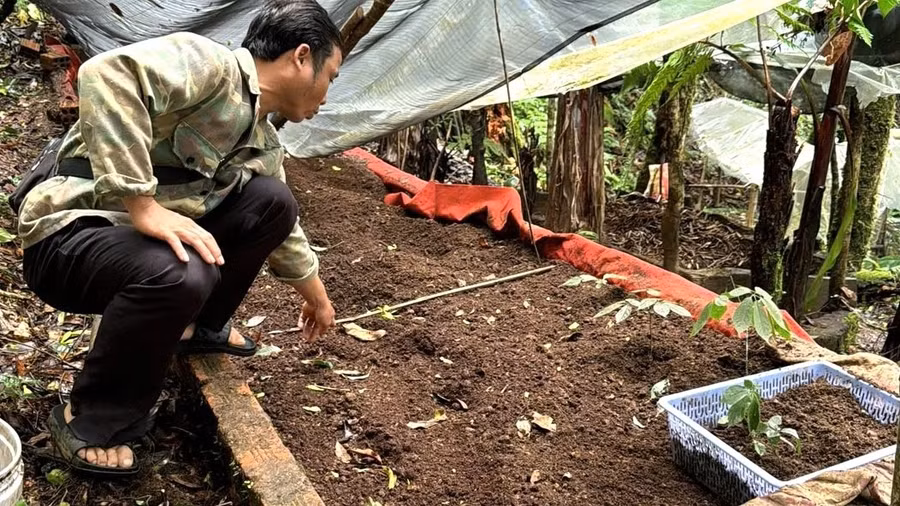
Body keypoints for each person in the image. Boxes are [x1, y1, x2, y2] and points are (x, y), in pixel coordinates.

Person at [16, 0, 341, 475]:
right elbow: (106, 75)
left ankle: (195, 328)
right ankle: (90, 420)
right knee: (184, 269)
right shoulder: (210, 64)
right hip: (69, 235)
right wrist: (142, 203)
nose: (328, 95)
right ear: (302, 57)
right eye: (331, 75)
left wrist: (316, 295)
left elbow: (284, 229)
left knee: (273, 200)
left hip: (133, 252)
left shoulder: (261, 138)